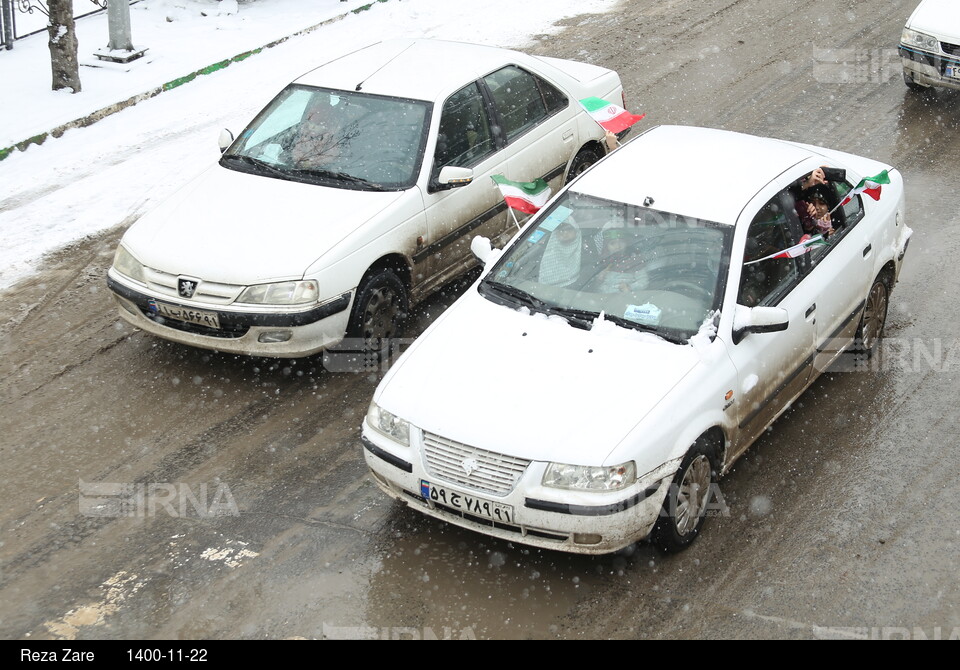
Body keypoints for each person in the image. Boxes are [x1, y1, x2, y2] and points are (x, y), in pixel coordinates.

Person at [538, 221, 583, 287]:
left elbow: (588, 270)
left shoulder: (584, 246)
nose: (565, 233)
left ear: (576, 231)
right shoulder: (549, 246)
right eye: (561, 230)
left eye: (569, 229)